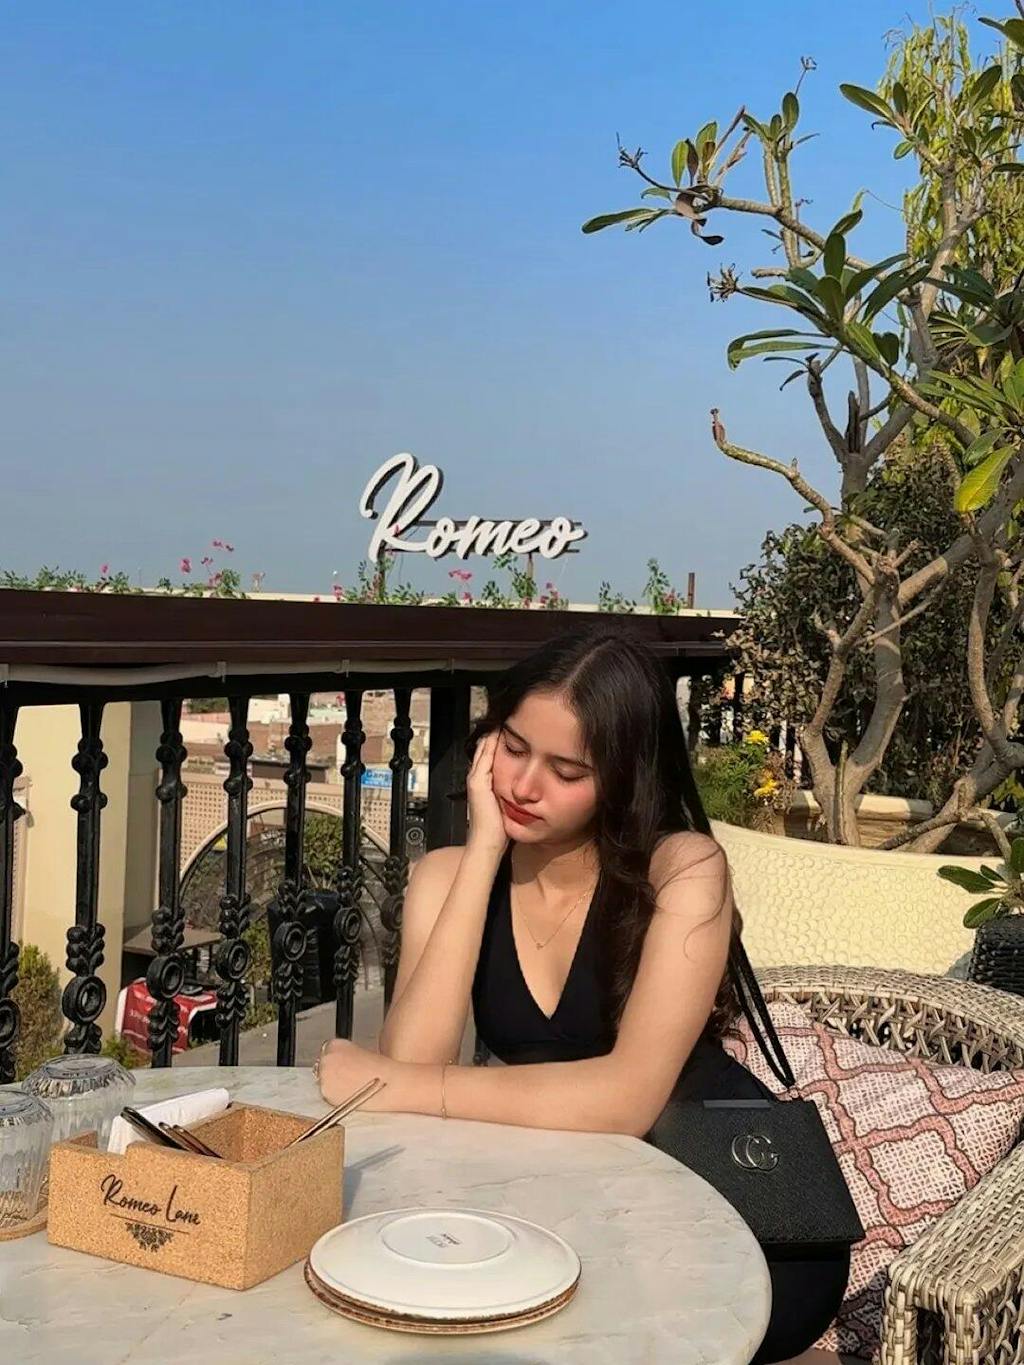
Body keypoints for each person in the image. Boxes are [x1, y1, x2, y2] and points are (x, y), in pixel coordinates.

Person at [317, 623, 849, 1364]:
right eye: (513, 747)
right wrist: (484, 851)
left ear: (623, 778)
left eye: (567, 771)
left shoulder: (682, 870)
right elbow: (410, 1060)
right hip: (579, 1198)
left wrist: (405, 1084)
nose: (524, 786)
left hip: (731, 1207)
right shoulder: (446, 877)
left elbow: (626, 1097)